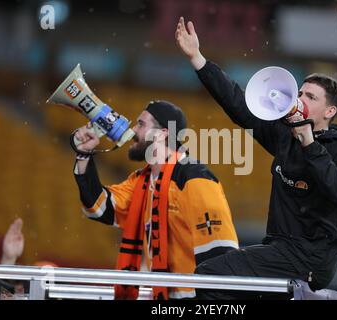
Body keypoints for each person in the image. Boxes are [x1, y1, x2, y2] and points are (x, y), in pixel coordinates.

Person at [176, 17, 337, 299]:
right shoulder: (284, 135)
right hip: (279, 249)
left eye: (310, 96)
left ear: (329, 112)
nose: (299, 98)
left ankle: (313, 295)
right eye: (299, 92)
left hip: (310, 259)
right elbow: (239, 104)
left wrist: (310, 144)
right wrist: (198, 59)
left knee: (211, 275)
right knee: (215, 273)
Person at [73, 100, 239, 300]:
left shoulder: (195, 178)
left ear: (162, 133)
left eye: (141, 124)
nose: (133, 129)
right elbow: (99, 208)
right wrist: (83, 154)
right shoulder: (142, 181)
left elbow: (221, 254)